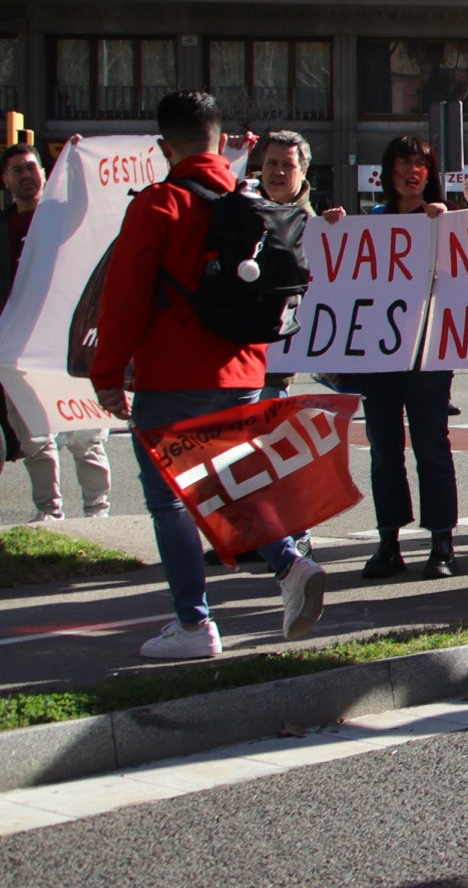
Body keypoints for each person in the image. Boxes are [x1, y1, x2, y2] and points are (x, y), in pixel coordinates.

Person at [89, 91, 327, 659]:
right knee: (226, 485)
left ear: (165, 146)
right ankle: (289, 563)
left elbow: (122, 300)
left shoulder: (158, 204)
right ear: (221, 142)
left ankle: (195, 626)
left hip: (171, 373)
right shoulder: (247, 200)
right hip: (242, 365)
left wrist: (105, 373)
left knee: (171, 501)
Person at [349, 135, 466, 581]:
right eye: (404, 162)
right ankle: (388, 542)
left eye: (421, 164)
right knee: (383, 449)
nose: (412, 170)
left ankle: (442, 543)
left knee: (431, 446)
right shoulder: (371, 222)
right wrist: (334, 229)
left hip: (427, 353)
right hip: (379, 354)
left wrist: (445, 225)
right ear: (388, 170)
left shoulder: (442, 220)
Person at [3, 142, 115, 521]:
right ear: (5, 180)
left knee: (86, 435)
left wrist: (81, 158)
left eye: (31, 167)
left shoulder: (64, 220)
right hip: (19, 348)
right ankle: (48, 513)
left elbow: (91, 202)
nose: (25, 175)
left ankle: (97, 513)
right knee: (35, 436)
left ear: (45, 174)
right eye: (16, 169)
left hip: (70, 344)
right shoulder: (2, 231)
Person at [252, 131, 317, 402]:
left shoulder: (315, 226)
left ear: (303, 170)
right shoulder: (242, 208)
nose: (277, 172)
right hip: (232, 355)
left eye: (287, 165)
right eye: (271, 163)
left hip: (275, 365)